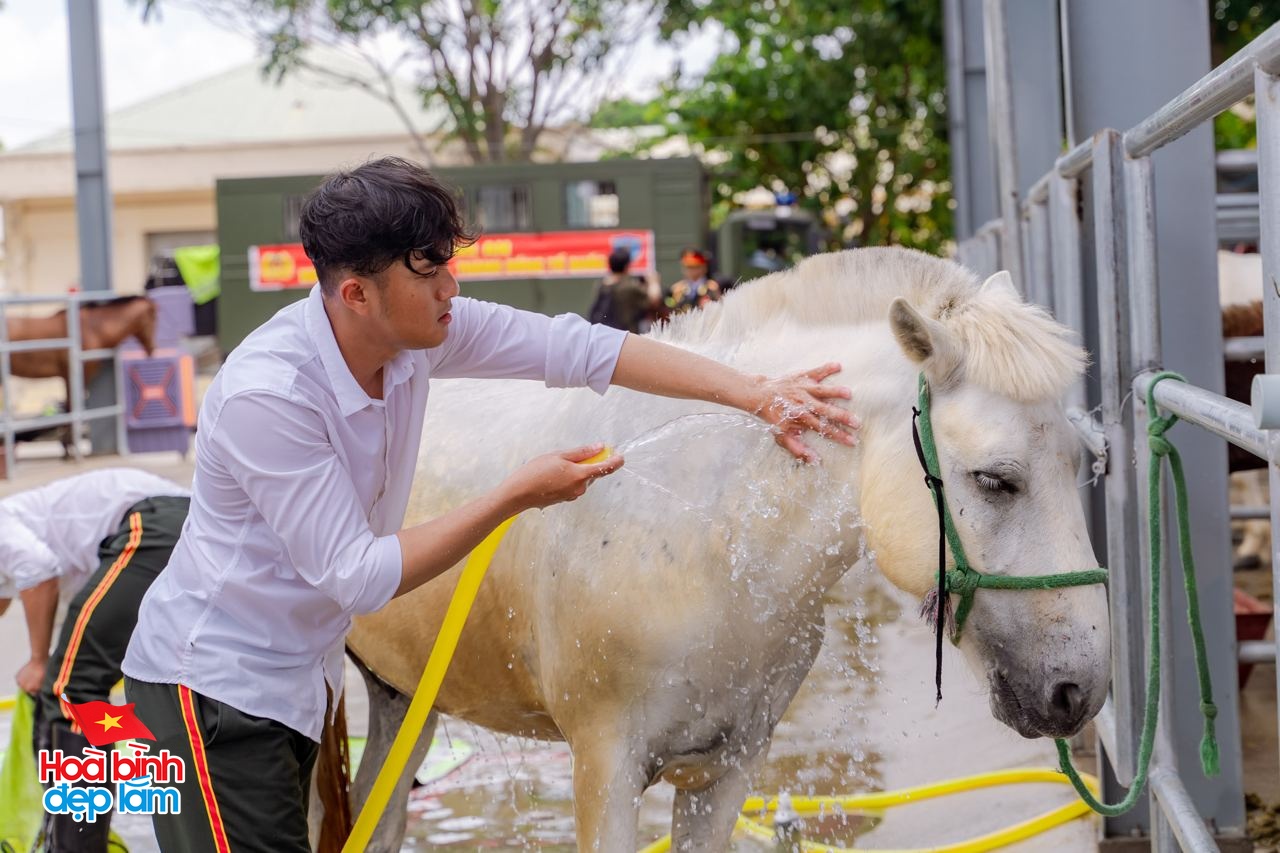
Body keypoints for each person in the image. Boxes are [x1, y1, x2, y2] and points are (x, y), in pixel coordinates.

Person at [121, 156, 858, 852]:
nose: (452, 286)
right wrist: (512, 496)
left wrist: (755, 392)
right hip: (212, 691)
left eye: (449, 261)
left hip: (293, 678)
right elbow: (357, 575)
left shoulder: (418, 336)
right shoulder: (270, 396)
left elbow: (583, 350)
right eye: (431, 270)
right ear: (357, 294)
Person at [0, 467, 190, 852]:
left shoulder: (5, 521)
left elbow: (38, 572)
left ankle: (77, 846)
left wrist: (38, 661)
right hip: (185, 524)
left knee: (70, 690)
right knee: (113, 684)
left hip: (156, 521)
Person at [587, 247, 660, 334]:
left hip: (603, 334)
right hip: (624, 337)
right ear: (626, 266)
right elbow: (654, 300)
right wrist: (654, 282)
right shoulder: (629, 287)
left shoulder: (602, 285)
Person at [665, 247, 723, 315]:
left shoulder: (712, 287)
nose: (691, 271)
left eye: (695, 267)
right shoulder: (677, 289)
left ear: (704, 268)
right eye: (688, 267)